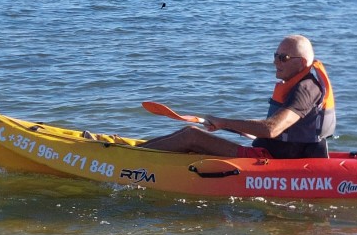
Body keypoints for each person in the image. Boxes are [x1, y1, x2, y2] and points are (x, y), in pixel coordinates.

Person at [139, 35, 336, 159]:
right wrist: (232, 126)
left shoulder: (305, 89)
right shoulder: (303, 84)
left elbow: (272, 129)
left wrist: (223, 122)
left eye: (283, 58)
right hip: (272, 152)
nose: (275, 62)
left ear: (302, 63)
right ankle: (134, 151)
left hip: (270, 159)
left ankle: (130, 160)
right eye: (275, 55)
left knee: (191, 136)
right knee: (188, 131)